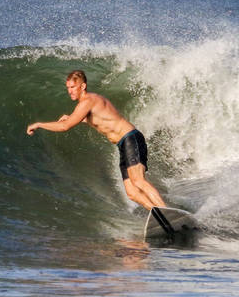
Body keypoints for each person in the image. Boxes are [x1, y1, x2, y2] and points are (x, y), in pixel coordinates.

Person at [26, 70, 167, 210]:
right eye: (68, 87)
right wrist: (71, 117)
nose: (70, 91)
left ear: (83, 86)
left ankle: (164, 210)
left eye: (73, 87)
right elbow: (98, 119)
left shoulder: (88, 101)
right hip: (123, 144)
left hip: (130, 138)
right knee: (132, 193)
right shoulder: (90, 102)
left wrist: (39, 124)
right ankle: (159, 214)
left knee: (138, 181)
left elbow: (65, 127)